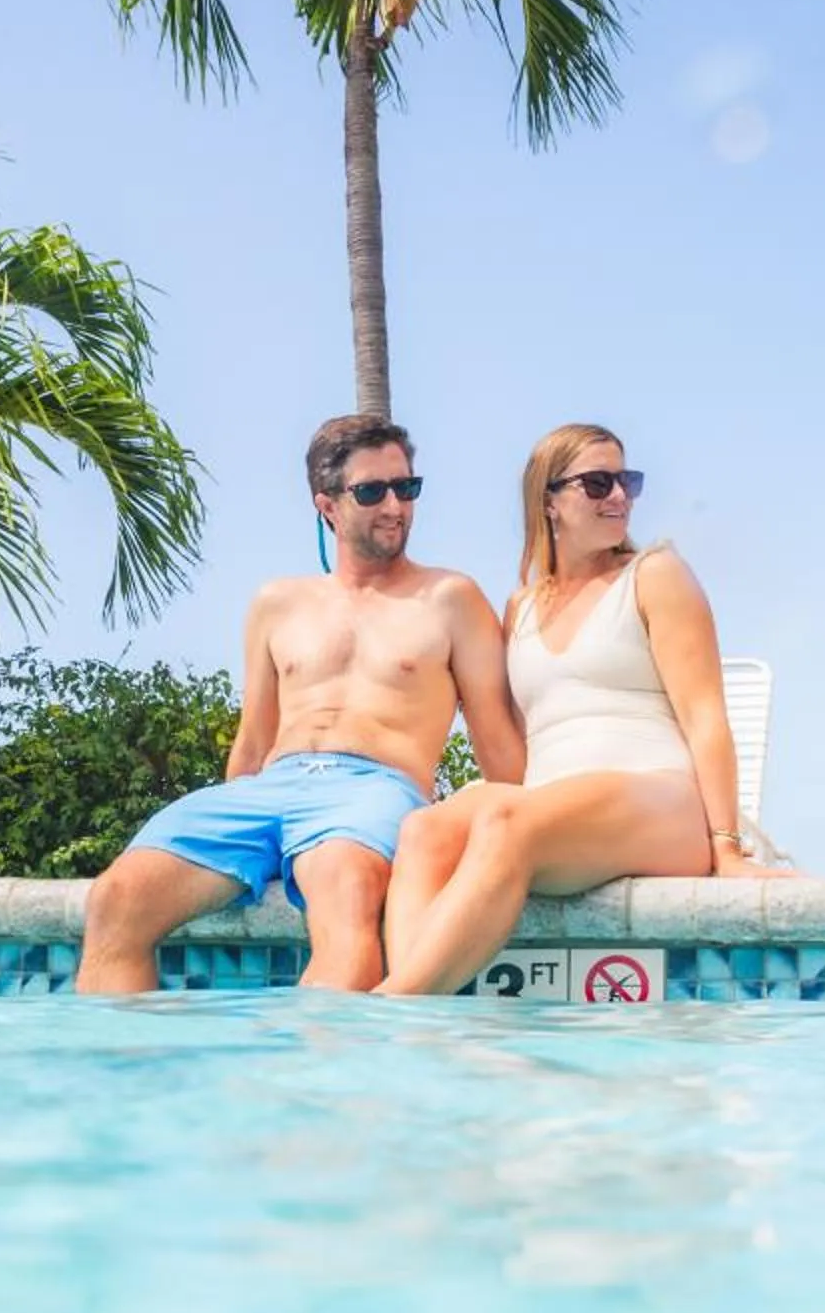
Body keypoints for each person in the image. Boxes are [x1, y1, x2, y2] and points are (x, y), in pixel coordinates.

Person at [76, 416, 524, 994]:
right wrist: (244, 825)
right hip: (268, 789)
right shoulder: (277, 602)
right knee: (115, 900)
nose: (395, 506)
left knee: (344, 893)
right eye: (372, 491)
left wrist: (522, 833)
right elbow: (254, 742)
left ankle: (308, 1084)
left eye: (406, 488)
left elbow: (497, 747)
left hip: (375, 787)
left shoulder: (451, 599)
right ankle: (129, 1079)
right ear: (327, 505)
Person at [378, 422, 784, 996]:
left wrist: (727, 847)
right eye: (597, 483)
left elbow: (706, 717)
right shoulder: (519, 608)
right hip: (555, 811)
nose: (619, 497)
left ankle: (389, 1013)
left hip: (661, 801)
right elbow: (520, 746)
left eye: (626, 481)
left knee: (505, 820)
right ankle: (417, 1003)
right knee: (424, 830)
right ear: (550, 501)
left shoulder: (654, 576)